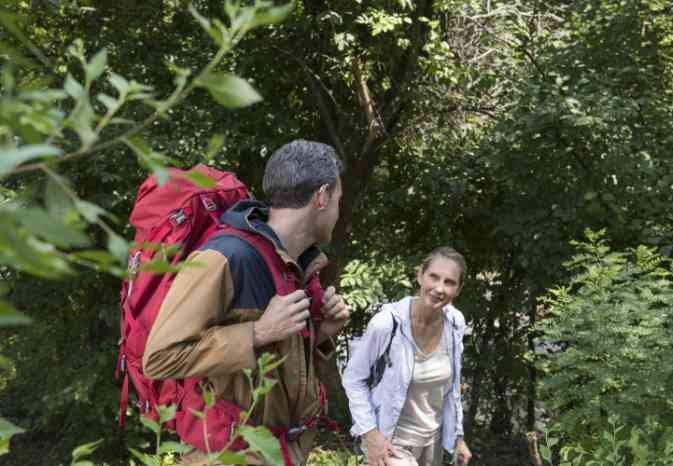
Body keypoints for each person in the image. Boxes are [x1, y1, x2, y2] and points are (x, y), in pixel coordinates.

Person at [143, 139, 350, 465]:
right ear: (321, 197)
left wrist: (321, 332)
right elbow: (159, 358)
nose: (338, 211)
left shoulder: (295, 264)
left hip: (278, 454)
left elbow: (277, 368)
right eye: (338, 199)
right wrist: (255, 332)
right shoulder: (226, 257)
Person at [342, 247, 473, 466]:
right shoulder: (387, 324)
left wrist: (458, 438)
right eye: (434, 277)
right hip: (391, 442)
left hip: (433, 442)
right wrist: (370, 434)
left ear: (458, 289)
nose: (439, 288)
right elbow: (353, 379)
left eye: (449, 282)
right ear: (420, 275)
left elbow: (452, 389)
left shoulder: (455, 322)